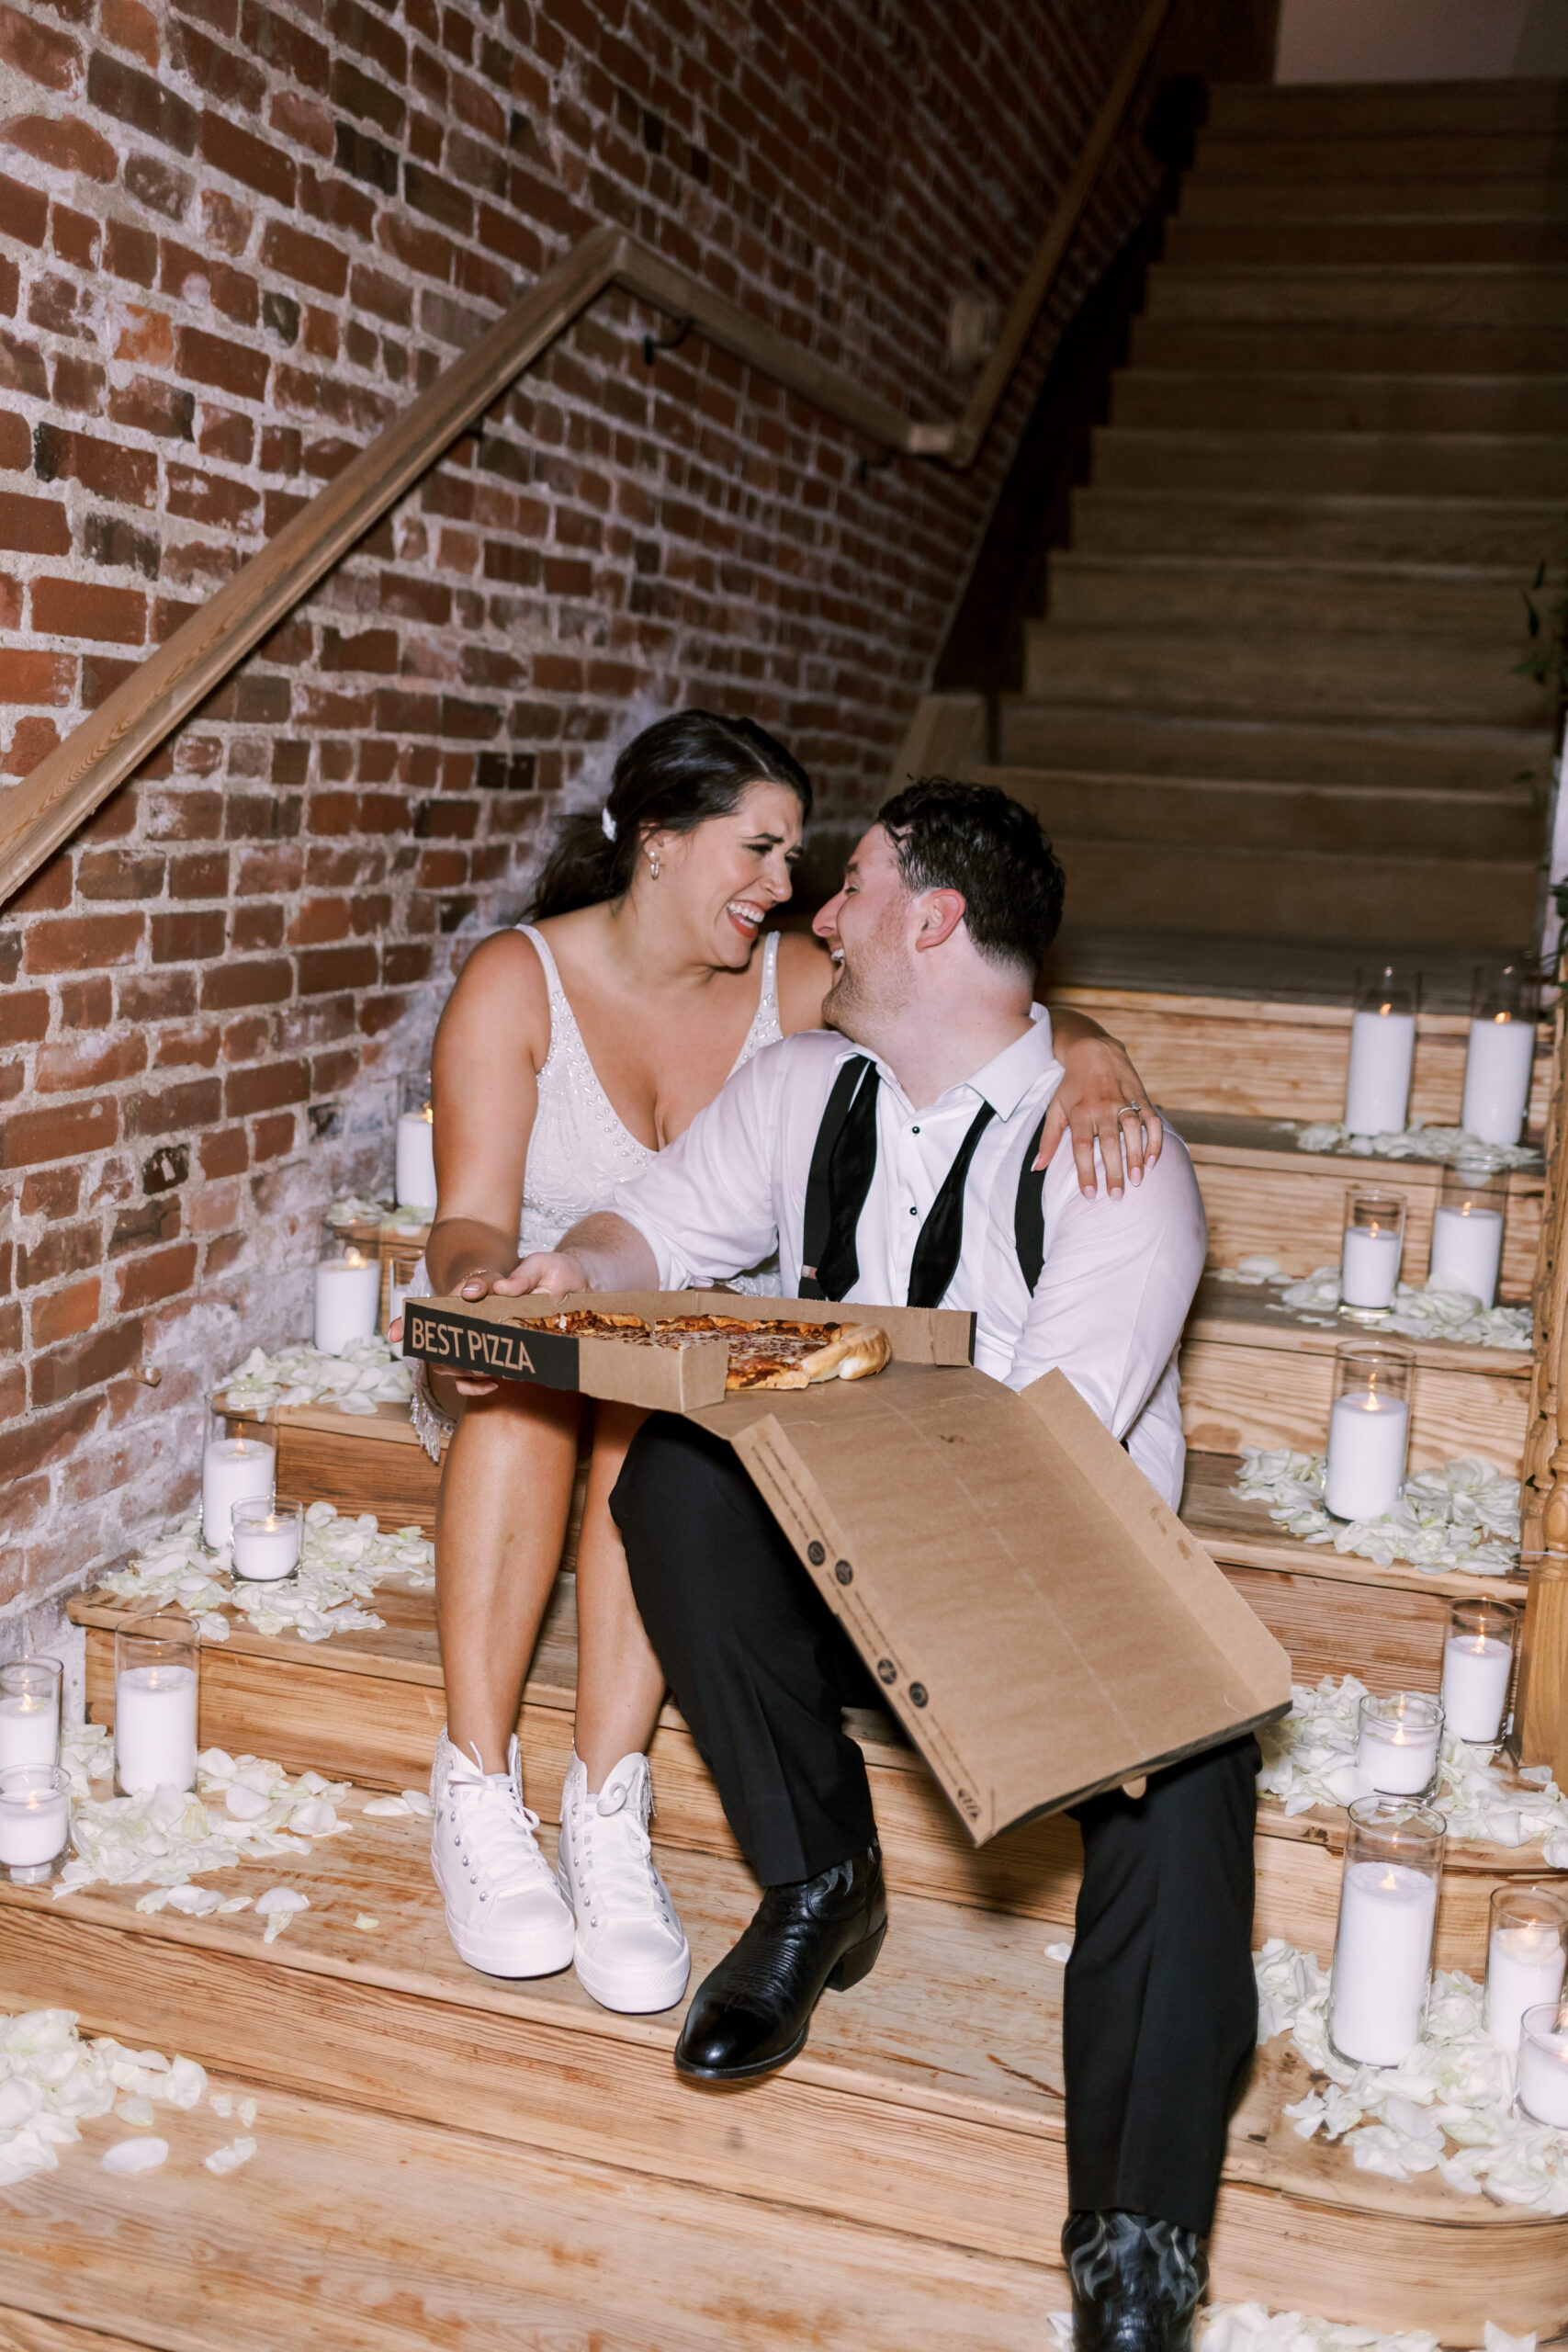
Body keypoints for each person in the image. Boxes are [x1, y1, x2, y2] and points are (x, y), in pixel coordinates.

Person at [500, 779, 1252, 2352]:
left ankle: (1137, 2239)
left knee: (1197, 1773)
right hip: (844, 1550)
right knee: (680, 1477)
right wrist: (586, 1266)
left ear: (934, 922)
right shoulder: (799, 1087)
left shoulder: (1115, 1160)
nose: (816, 915)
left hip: (1045, 1570)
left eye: (853, 886)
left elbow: (1031, 1455)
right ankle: (820, 1879)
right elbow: (667, 1223)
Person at [406, 714, 1166, 2028]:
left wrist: (1095, 1053)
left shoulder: (808, 988)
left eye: (812, 866)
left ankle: (606, 1806)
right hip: (556, 1321)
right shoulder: (518, 980)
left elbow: (983, 999)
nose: (794, 896)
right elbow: (490, 1217)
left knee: (664, 1436)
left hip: (728, 1367)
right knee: (547, 1404)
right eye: (758, 851)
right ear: (656, 843)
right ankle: (475, 1785)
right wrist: (500, 1291)